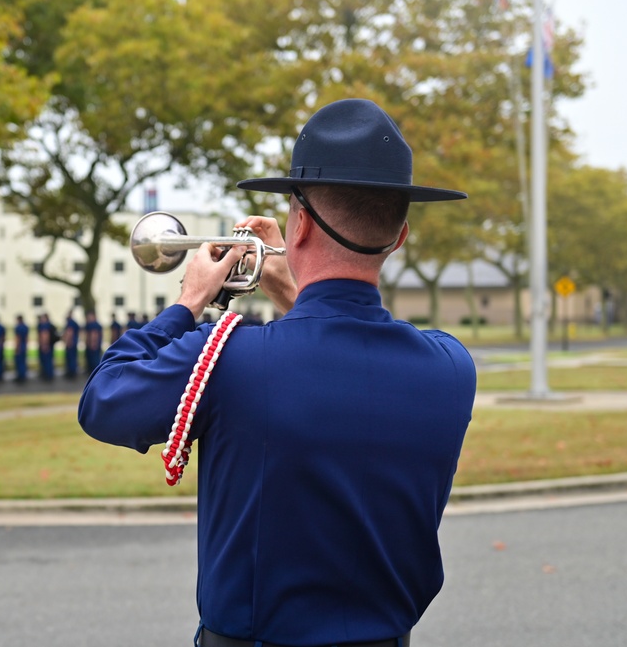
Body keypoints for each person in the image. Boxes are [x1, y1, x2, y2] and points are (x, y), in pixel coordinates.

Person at [78, 99, 476, 647]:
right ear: (399, 236)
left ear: (301, 223)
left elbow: (104, 400)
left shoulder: (228, 359)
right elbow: (337, 356)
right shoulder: (450, 366)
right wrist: (292, 284)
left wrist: (189, 300)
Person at [36, 313, 56, 381]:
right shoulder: (49, 325)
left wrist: (44, 345)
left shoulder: (44, 325)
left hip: (46, 346)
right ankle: (48, 375)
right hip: (49, 346)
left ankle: (47, 376)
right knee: (48, 361)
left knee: (47, 362)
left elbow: (45, 335)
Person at [62, 311, 80, 379]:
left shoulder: (70, 323)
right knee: (73, 358)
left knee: (71, 359)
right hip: (74, 343)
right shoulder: (74, 322)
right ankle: (72, 372)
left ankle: (71, 373)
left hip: (71, 343)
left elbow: (70, 332)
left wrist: (67, 342)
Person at [13, 315, 29, 383]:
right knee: (23, 362)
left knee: (19, 363)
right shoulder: (25, 327)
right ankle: (23, 375)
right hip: (23, 346)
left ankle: (20, 377)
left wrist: (17, 347)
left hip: (20, 346)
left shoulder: (18, 327)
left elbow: (18, 338)